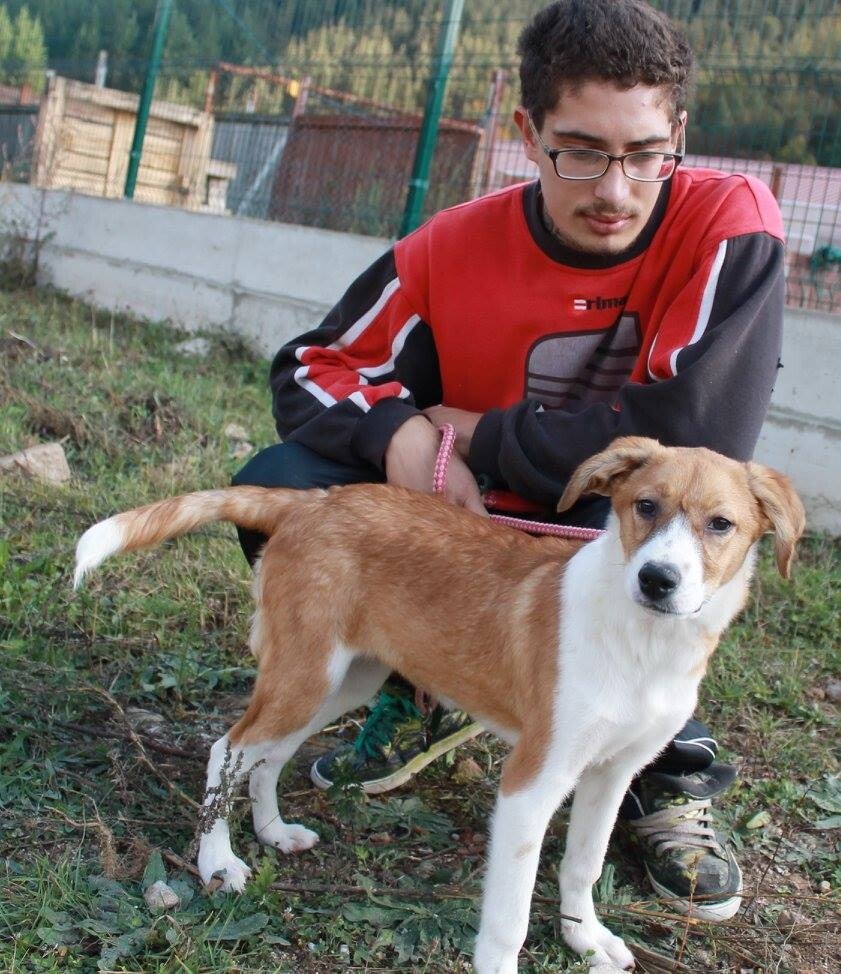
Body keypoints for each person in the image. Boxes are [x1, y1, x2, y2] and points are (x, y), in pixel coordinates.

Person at [234, 0, 784, 921]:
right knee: (287, 481)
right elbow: (311, 365)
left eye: (645, 154)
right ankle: (419, 678)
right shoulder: (452, 245)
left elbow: (695, 422)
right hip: (464, 518)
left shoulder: (728, 223)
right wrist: (401, 435)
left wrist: (482, 433)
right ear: (527, 135)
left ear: (678, 136)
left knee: (654, 558)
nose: (615, 190)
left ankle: (665, 777)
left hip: (613, 523)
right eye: (580, 152)